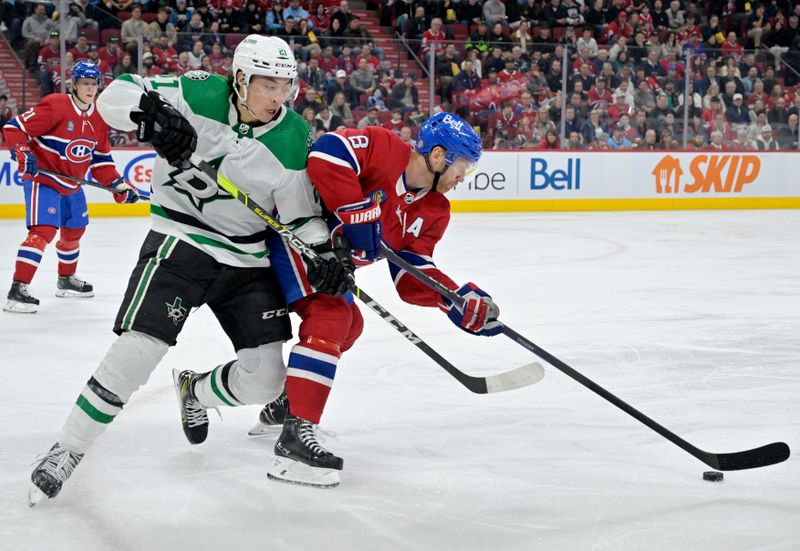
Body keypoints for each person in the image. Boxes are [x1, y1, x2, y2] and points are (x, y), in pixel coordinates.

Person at [27, 35, 351, 505]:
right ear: (239, 80)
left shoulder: (294, 137)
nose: (278, 98)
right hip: (181, 237)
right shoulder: (199, 91)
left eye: (286, 86)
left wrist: (324, 255)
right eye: (267, 86)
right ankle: (67, 449)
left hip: (246, 256)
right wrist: (151, 115)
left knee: (267, 380)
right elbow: (116, 94)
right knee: (138, 348)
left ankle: (195, 391)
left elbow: (300, 216)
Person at [248, 113, 502, 487]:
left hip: (332, 265)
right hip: (298, 234)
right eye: (461, 165)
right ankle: (294, 439)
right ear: (436, 156)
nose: (462, 177)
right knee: (332, 316)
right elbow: (327, 152)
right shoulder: (385, 149)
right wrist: (354, 209)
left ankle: (289, 402)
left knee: (351, 326)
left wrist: (456, 299)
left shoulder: (434, 210)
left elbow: (411, 275)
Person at [2, 61, 140, 314]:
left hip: (72, 184)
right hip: (43, 180)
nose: (89, 88)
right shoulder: (56, 105)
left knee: (75, 230)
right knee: (42, 232)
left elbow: (101, 161)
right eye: (84, 83)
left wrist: (118, 184)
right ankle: (18, 289)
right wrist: (22, 151)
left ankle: (66, 280)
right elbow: (14, 128)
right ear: (73, 85)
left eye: (93, 83)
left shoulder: (99, 116)